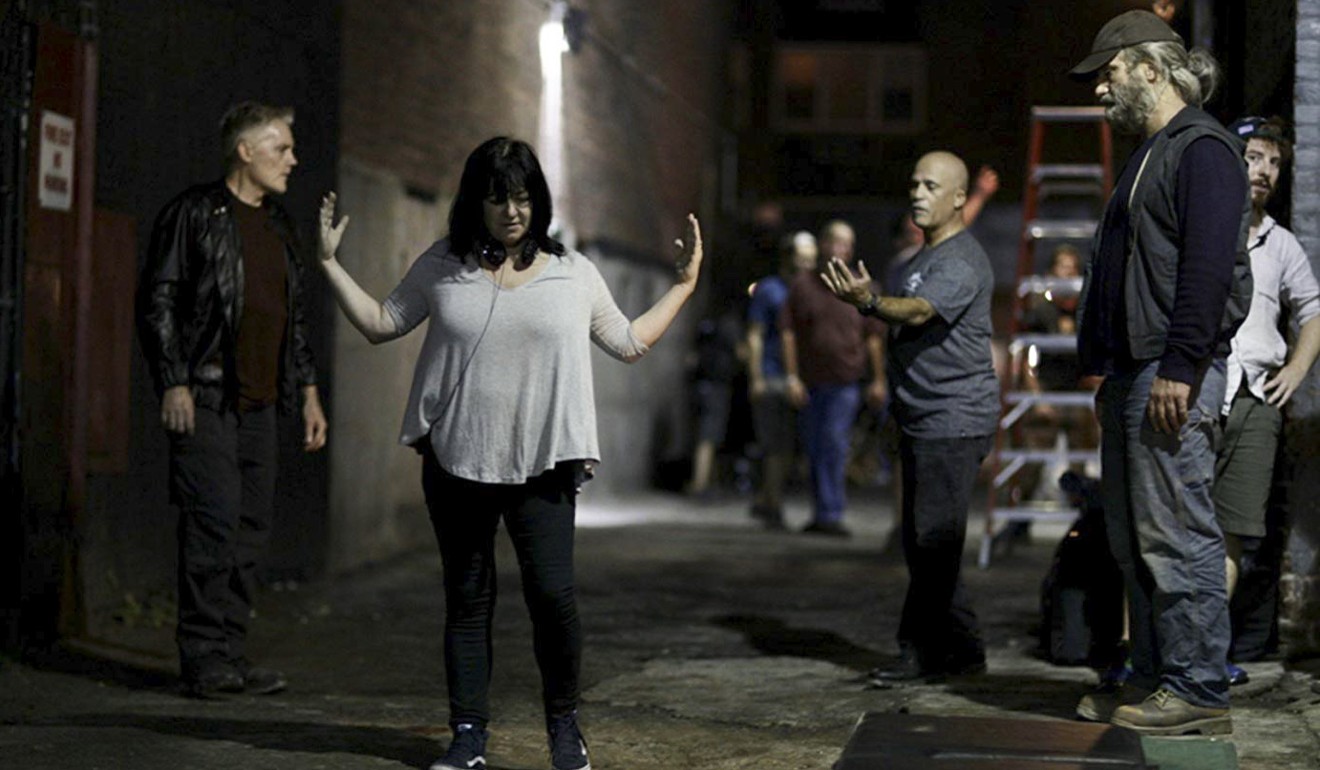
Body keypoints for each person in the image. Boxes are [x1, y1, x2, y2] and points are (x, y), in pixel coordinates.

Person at [316, 136, 703, 770]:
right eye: (498, 198)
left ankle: (564, 725)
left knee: (553, 597)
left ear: (538, 202)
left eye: (523, 197)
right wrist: (330, 264)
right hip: (456, 460)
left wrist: (684, 285)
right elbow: (383, 322)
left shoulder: (573, 272)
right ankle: (468, 735)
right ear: (477, 202)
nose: (512, 211)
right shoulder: (444, 265)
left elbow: (629, 341)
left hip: (544, 464)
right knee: (467, 602)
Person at [1068, 10, 1252, 736]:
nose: (1100, 92)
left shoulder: (1201, 149)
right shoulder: (1151, 152)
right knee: (1136, 541)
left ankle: (1199, 690)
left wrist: (1180, 364)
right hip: (1134, 373)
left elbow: (1209, 269)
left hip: (1170, 372)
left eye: (1109, 74)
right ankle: (1151, 675)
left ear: (1151, 67)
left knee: (1178, 535)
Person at [136, 101, 328, 699]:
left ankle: (231, 655)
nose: (293, 160)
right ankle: (202, 659)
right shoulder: (194, 214)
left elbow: (292, 321)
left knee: (249, 533)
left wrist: (309, 393)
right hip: (208, 395)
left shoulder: (279, 225)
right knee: (212, 526)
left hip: (261, 406)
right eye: (281, 148)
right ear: (245, 151)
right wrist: (173, 379)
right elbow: (159, 299)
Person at [821, 151, 1000, 682]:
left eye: (931, 186)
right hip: (924, 418)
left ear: (960, 198)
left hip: (954, 418)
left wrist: (870, 301)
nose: (917, 195)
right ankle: (965, 652)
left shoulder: (961, 260)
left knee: (931, 543)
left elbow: (919, 311)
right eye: (914, 184)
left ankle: (918, 653)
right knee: (927, 544)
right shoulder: (924, 257)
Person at [1215, 116, 1320, 683]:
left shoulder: (1280, 243)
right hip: (1200, 387)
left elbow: (1314, 310)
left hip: (1256, 396)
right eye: (1255, 157)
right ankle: (1153, 651)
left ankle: (1206, 652)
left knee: (1233, 530)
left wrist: (1297, 368)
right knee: (1180, 524)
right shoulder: (1206, 227)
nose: (1264, 171)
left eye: (1274, 162)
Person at [781, 221, 886, 537]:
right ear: (823, 245)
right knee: (814, 448)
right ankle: (821, 511)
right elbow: (788, 333)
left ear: (850, 250)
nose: (838, 249)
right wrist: (791, 377)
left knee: (834, 444)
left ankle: (831, 512)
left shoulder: (860, 287)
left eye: (845, 243)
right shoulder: (803, 285)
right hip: (812, 382)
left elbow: (873, 339)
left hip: (846, 382)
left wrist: (878, 379)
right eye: (833, 242)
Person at [746, 231, 817, 529]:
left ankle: (766, 500)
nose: (805, 267)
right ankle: (771, 505)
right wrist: (756, 378)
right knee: (777, 446)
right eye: (801, 260)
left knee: (786, 448)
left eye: (810, 262)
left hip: (800, 378)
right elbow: (754, 335)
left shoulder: (808, 291)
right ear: (787, 258)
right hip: (774, 376)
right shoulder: (771, 290)